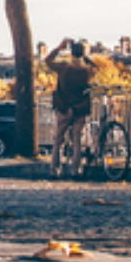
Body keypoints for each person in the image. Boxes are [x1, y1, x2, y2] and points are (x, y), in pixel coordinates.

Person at [48, 38, 94, 177]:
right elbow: (96, 66)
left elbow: (47, 61)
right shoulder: (88, 70)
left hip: (64, 107)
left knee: (58, 140)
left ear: (71, 53)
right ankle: (76, 170)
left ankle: (55, 170)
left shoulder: (63, 67)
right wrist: (86, 54)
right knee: (77, 141)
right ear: (84, 54)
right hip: (80, 108)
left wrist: (59, 47)